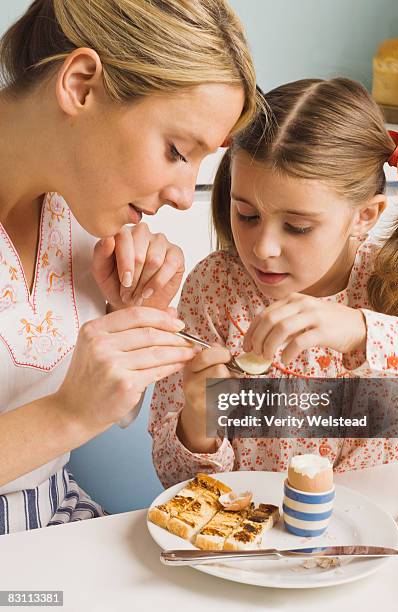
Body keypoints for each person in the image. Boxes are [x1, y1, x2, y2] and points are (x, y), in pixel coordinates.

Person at [0, 0, 259, 534]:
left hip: (56, 526)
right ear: (81, 85)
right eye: (176, 150)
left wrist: (129, 316)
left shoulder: (78, 208)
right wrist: (67, 414)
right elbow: (65, 413)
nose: (186, 198)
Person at [149, 77, 398, 489]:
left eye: (297, 226)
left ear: (364, 216)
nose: (264, 249)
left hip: (390, 531)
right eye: (247, 215)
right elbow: (176, 481)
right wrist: (199, 417)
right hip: (262, 538)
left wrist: (361, 330)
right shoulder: (214, 289)